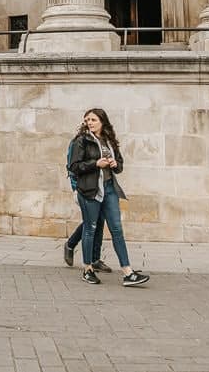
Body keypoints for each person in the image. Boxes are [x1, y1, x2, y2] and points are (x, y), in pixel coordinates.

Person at [67, 108, 150, 287]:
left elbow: (120, 166)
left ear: (102, 121)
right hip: (89, 190)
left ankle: (128, 272)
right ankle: (87, 269)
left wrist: (114, 163)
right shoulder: (81, 140)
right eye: (87, 120)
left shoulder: (109, 140)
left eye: (93, 119)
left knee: (117, 229)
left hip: (109, 189)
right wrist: (95, 163)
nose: (90, 122)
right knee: (90, 228)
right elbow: (74, 166)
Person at [63, 131, 107, 270]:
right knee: (91, 221)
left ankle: (95, 259)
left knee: (99, 220)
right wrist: (76, 188)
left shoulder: (101, 141)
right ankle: (70, 245)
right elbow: (73, 167)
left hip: (98, 187)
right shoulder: (78, 141)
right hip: (83, 187)